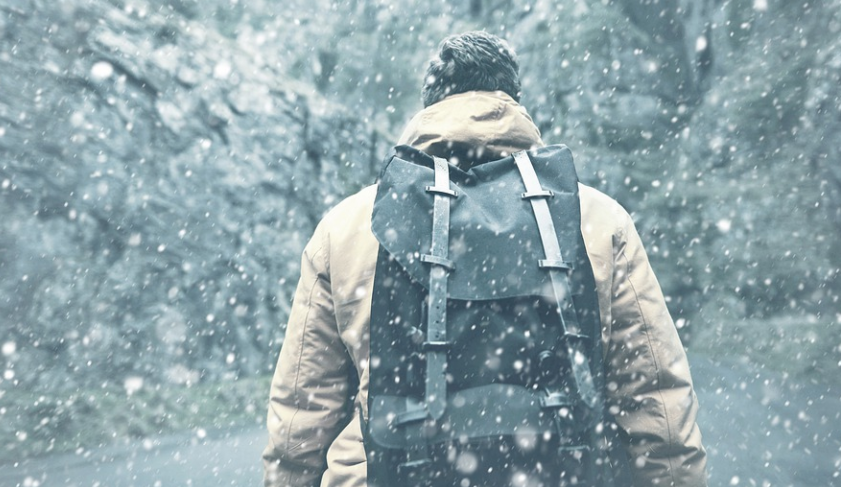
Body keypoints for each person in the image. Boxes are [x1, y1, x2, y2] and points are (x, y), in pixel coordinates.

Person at [263, 31, 708, 486]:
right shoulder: (595, 217)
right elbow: (657, 404)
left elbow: (300, 422)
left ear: (429, 106)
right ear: (512, 101)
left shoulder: (349, 227)